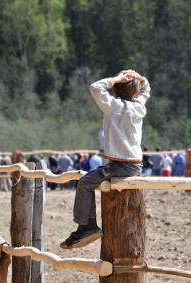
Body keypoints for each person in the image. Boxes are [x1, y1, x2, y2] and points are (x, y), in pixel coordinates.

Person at [60, 70, 150, 249]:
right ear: (135, 92)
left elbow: (96, 87)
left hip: (120, 165)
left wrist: (116, 79)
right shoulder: (139, 106)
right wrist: (140, 78)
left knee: (85, 183)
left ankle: (87, 226)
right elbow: (146, 90)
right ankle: (87, 226)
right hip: (134, 164)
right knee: (89, 181)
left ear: (115, 90)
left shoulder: (112, 105)